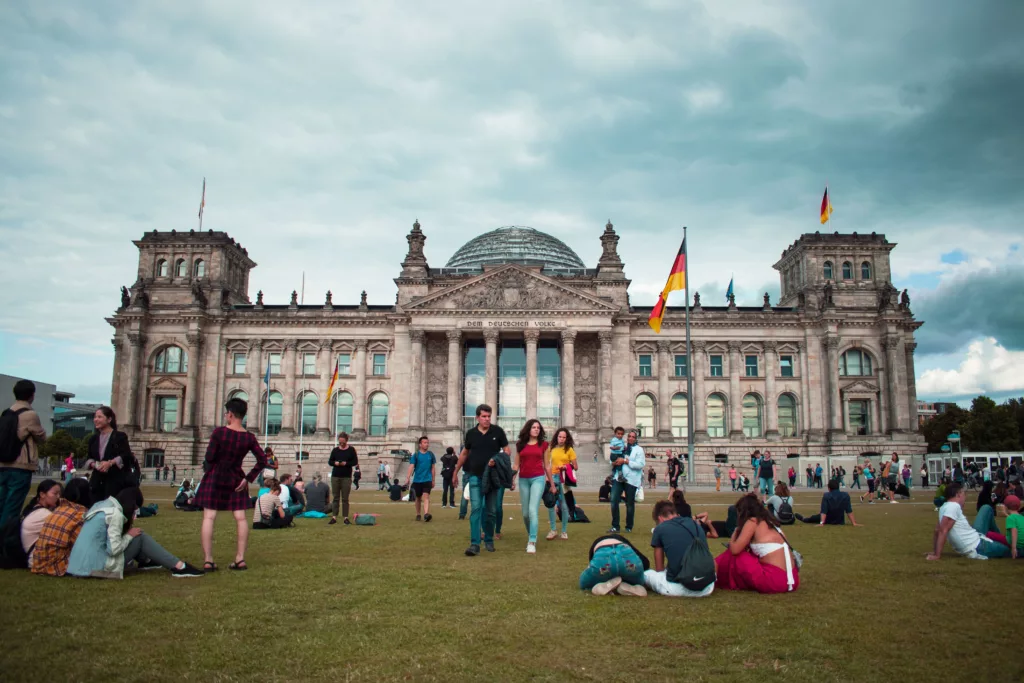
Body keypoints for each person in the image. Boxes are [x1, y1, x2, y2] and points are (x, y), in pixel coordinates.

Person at [195, 398, 268, 572]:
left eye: (226, 412)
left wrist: (211, 467)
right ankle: (240, 559)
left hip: (215, 476)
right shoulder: (248, 437)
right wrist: (248, 478)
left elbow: (210, 457)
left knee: (209, 517)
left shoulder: (219, 433)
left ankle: (208, 560)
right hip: (236, 478)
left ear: (231, 414)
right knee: (241, 518)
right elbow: (262, 459)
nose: (226, 415)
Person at [68, 487, 203, 578]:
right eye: (135, 510)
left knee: (135, 535)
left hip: (77, 566)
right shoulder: (114, 514)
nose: (135, 514)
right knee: (140, 537)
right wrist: (128, 536)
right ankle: (179, 567)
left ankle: (146, 560)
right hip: (96, 569)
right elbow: (113, 550)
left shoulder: (101, 506)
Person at [451, 404, 511, 556]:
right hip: (475, 476)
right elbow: (465, 453)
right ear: (477, 417)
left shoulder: (498, 431)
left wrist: (497, 460)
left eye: (489, 416)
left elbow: (507, 451)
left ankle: (489, 539)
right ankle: (475, 543)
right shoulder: (471, 433)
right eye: (484, 416)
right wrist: (455, 472)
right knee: (476, 509)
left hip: (492, 478)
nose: (487, 419)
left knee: (490, 511)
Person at [714, 494, 799, 593]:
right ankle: (714, 572)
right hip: (792, 579)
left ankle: (713, 573)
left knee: (735, 554)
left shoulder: (753, 521)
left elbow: (734, 550)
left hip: (774, 580)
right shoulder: (771, 522)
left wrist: (735, 533)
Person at [643, 499, 715, 598]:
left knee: (647, 574)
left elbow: (659, 569)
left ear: (660, 519)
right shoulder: (695, 523)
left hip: (679, 588)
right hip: (707, 586)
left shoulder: (660, 528)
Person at [0, 379, 47, 527]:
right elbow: (42, 437)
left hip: (3, 464)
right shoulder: (30, 415)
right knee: (12, 508)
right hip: (20, 466)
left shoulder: (6, 413)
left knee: (2, 504)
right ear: (32, 395)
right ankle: (5, 542)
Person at [926, 483, 1011, 560]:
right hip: (977, 546)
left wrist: (935, 551)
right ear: (958, 494)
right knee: (1009, 550)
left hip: (975, 537)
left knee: (986, 508)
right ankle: (1007, 541)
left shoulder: (944, 507)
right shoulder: (953, 507)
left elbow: (937, 530)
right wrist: (937, 555)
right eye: (964, 494)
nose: (965, 497)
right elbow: (943, 530)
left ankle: (1002, 538)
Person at [30, 478, 92, 576]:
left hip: (38, 564)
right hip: (57, 567)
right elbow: (85, 546)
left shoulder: (58, 510)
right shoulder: (78, 515)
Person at [513, 419, 554, 554]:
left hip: (538, 479)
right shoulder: (520, 445)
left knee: (532, 510)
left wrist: (552, 484)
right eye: (533, 427)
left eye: (538, 427)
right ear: (528, 429)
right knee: (525, 514)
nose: (536, 429)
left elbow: (547, 466)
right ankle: (532, 533)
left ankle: (532, 541)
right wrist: (512, 480)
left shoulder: (544, 445)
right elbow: (516, 465)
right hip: (523, 479)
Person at [579, 533, 649, 596]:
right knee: (640, 579)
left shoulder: (597, 543)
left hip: (603, 556)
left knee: (583, 582)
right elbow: (646, 563)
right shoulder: (623, 542)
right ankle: (629, 586)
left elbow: (592, 567)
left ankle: (605, 585)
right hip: (627, 557)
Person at [609, 430, 645, 533]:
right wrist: (614, 462)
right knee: (613, 500)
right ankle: (615, 526)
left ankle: (629, 526)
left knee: (629, 504)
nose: (630, 438)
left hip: (631, 480)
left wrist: (625, 461)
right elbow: (613, 458)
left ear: (636, 438)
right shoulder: (622, 447)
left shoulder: (639, 450)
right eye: (629, 436)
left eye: (633, 437)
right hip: (618, 478)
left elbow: (640, 465)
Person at [21, 479, 63, 561]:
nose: (58, 497)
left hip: (32, 556)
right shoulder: (43, 514)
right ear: (42, 494)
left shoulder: (33, 508)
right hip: (37, 560)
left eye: (59, 494)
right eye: (55, 493)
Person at [547, 427, 578, 541]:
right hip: (552, 478)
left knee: (564, 506)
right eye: (560, 437)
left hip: (563, 479)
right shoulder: (551, 448)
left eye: (564, 437)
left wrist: (565, 467)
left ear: (567, 438)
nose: (562, 439)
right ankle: (553, 530)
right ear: (556, 437)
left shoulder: (569, 449)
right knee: (551, 504)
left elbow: (575, 466)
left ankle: (564, 531)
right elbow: (547, 464)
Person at [795, 479, 861, 526]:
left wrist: (822, 523)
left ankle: (804, 519)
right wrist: (854, 523)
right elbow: (849, 510)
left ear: (829, 488)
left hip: (827, 520)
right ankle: (806, 519)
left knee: (813, 518)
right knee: (816, 517)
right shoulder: (845, 495)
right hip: (840, 521)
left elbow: (824, 511)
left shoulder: (827, 495)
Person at [328, 432, 358, 526]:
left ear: (346, 440)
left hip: (346, 477)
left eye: (343, 442)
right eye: (340, 442)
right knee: (335, 497)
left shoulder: (351, 450)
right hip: (335, 476)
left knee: (345, 498)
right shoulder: (335, 450)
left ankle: (345, 517)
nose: (341, 444)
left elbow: (355, 462)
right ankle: (334, 517)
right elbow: (330, 461)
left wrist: (346, 463)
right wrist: (335, 463)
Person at [406, 436, 437, 522]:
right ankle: (418, 514)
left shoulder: (431, 455)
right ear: (420, 444)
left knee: (426, 497)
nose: (427, 444)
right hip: (417, 480)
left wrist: (433, 480)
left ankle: (426, 514)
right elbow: (411, 466)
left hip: (427, 479)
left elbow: (433, 468)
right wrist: (408, 477)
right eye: (425, 443)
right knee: (418, 498)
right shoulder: (416, 455)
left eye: (427, 443)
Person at [1002, 495, 1022, 559]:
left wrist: (1014, 548)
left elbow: (1014, 530)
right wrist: (1006, 514)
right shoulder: (1021, 517)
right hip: (1022, 544)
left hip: (1014, 543)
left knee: (990, 534)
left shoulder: (1010, 518)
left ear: (1006, 507)